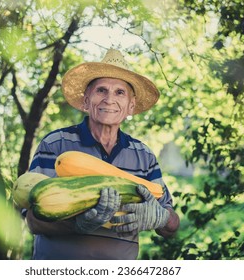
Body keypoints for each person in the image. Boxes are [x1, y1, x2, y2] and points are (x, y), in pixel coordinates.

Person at [25, 49, 180, 260]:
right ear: (87, 100)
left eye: (120, 93)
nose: (109, 99)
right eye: (101, 90)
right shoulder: (55, 144)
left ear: (130, 106)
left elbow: (172, 226)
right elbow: (33, 221)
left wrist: (161, 218)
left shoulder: (144, 156)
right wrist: (77, 225)